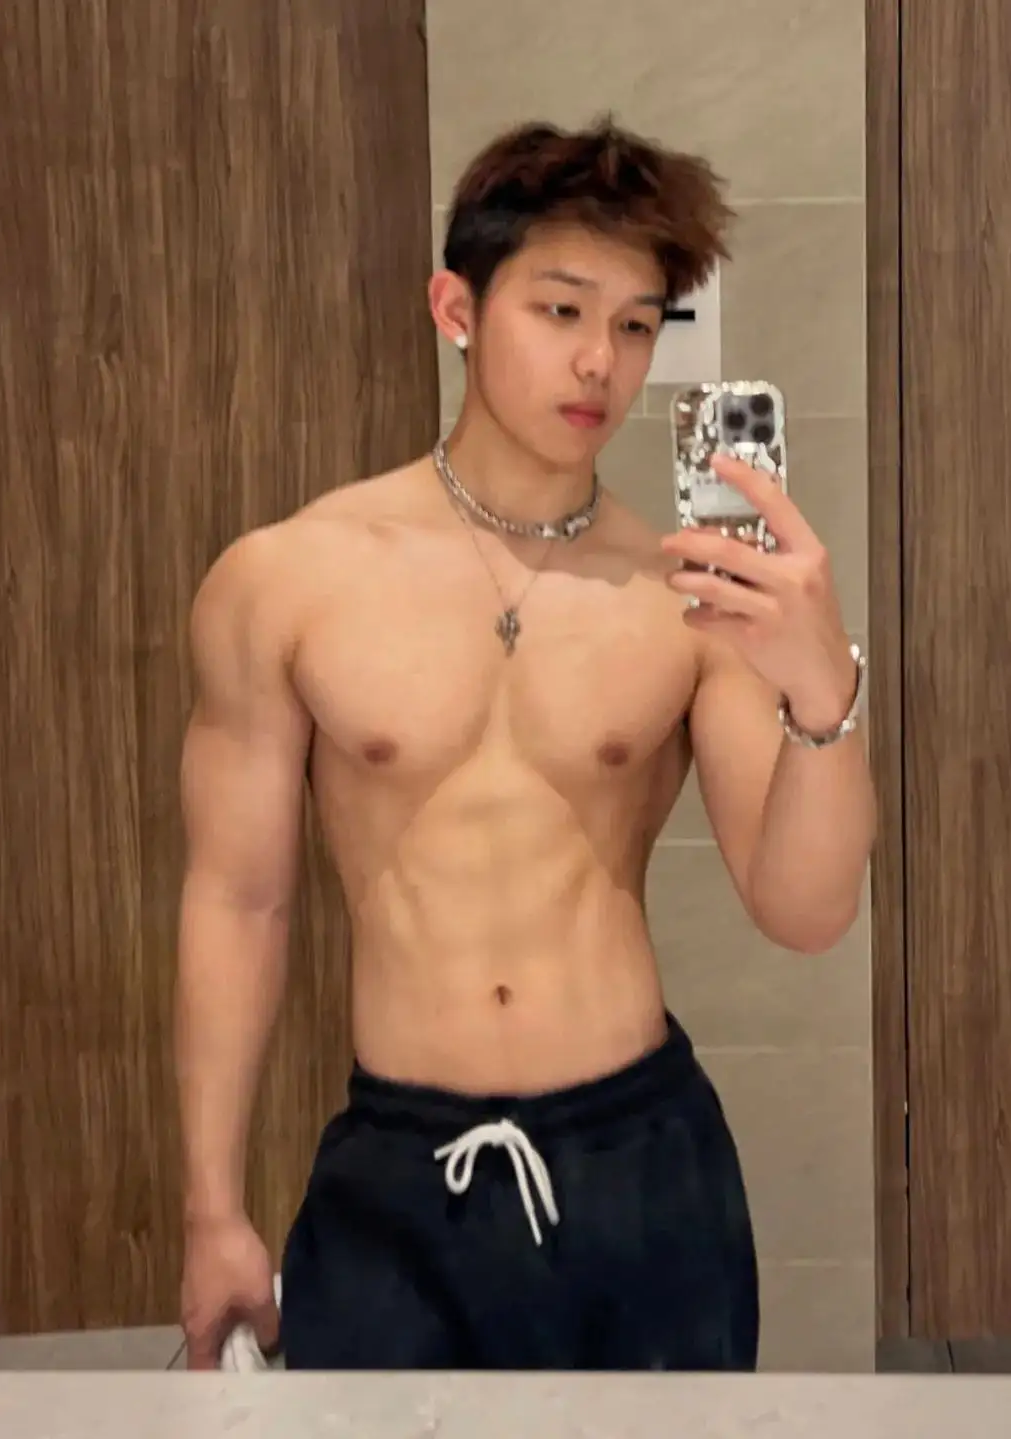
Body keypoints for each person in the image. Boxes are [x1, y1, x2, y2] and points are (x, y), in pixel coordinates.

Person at [175, 117, 876, 1373]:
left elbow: (807, 908)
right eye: (560, 310)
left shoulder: (689, 595)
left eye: (636, 324)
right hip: (398, 1169)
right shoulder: (288, 579)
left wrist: (826, 689)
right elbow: (239, 899)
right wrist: (211, 1208)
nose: (600, 360)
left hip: (641, 1160)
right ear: (457, 307)